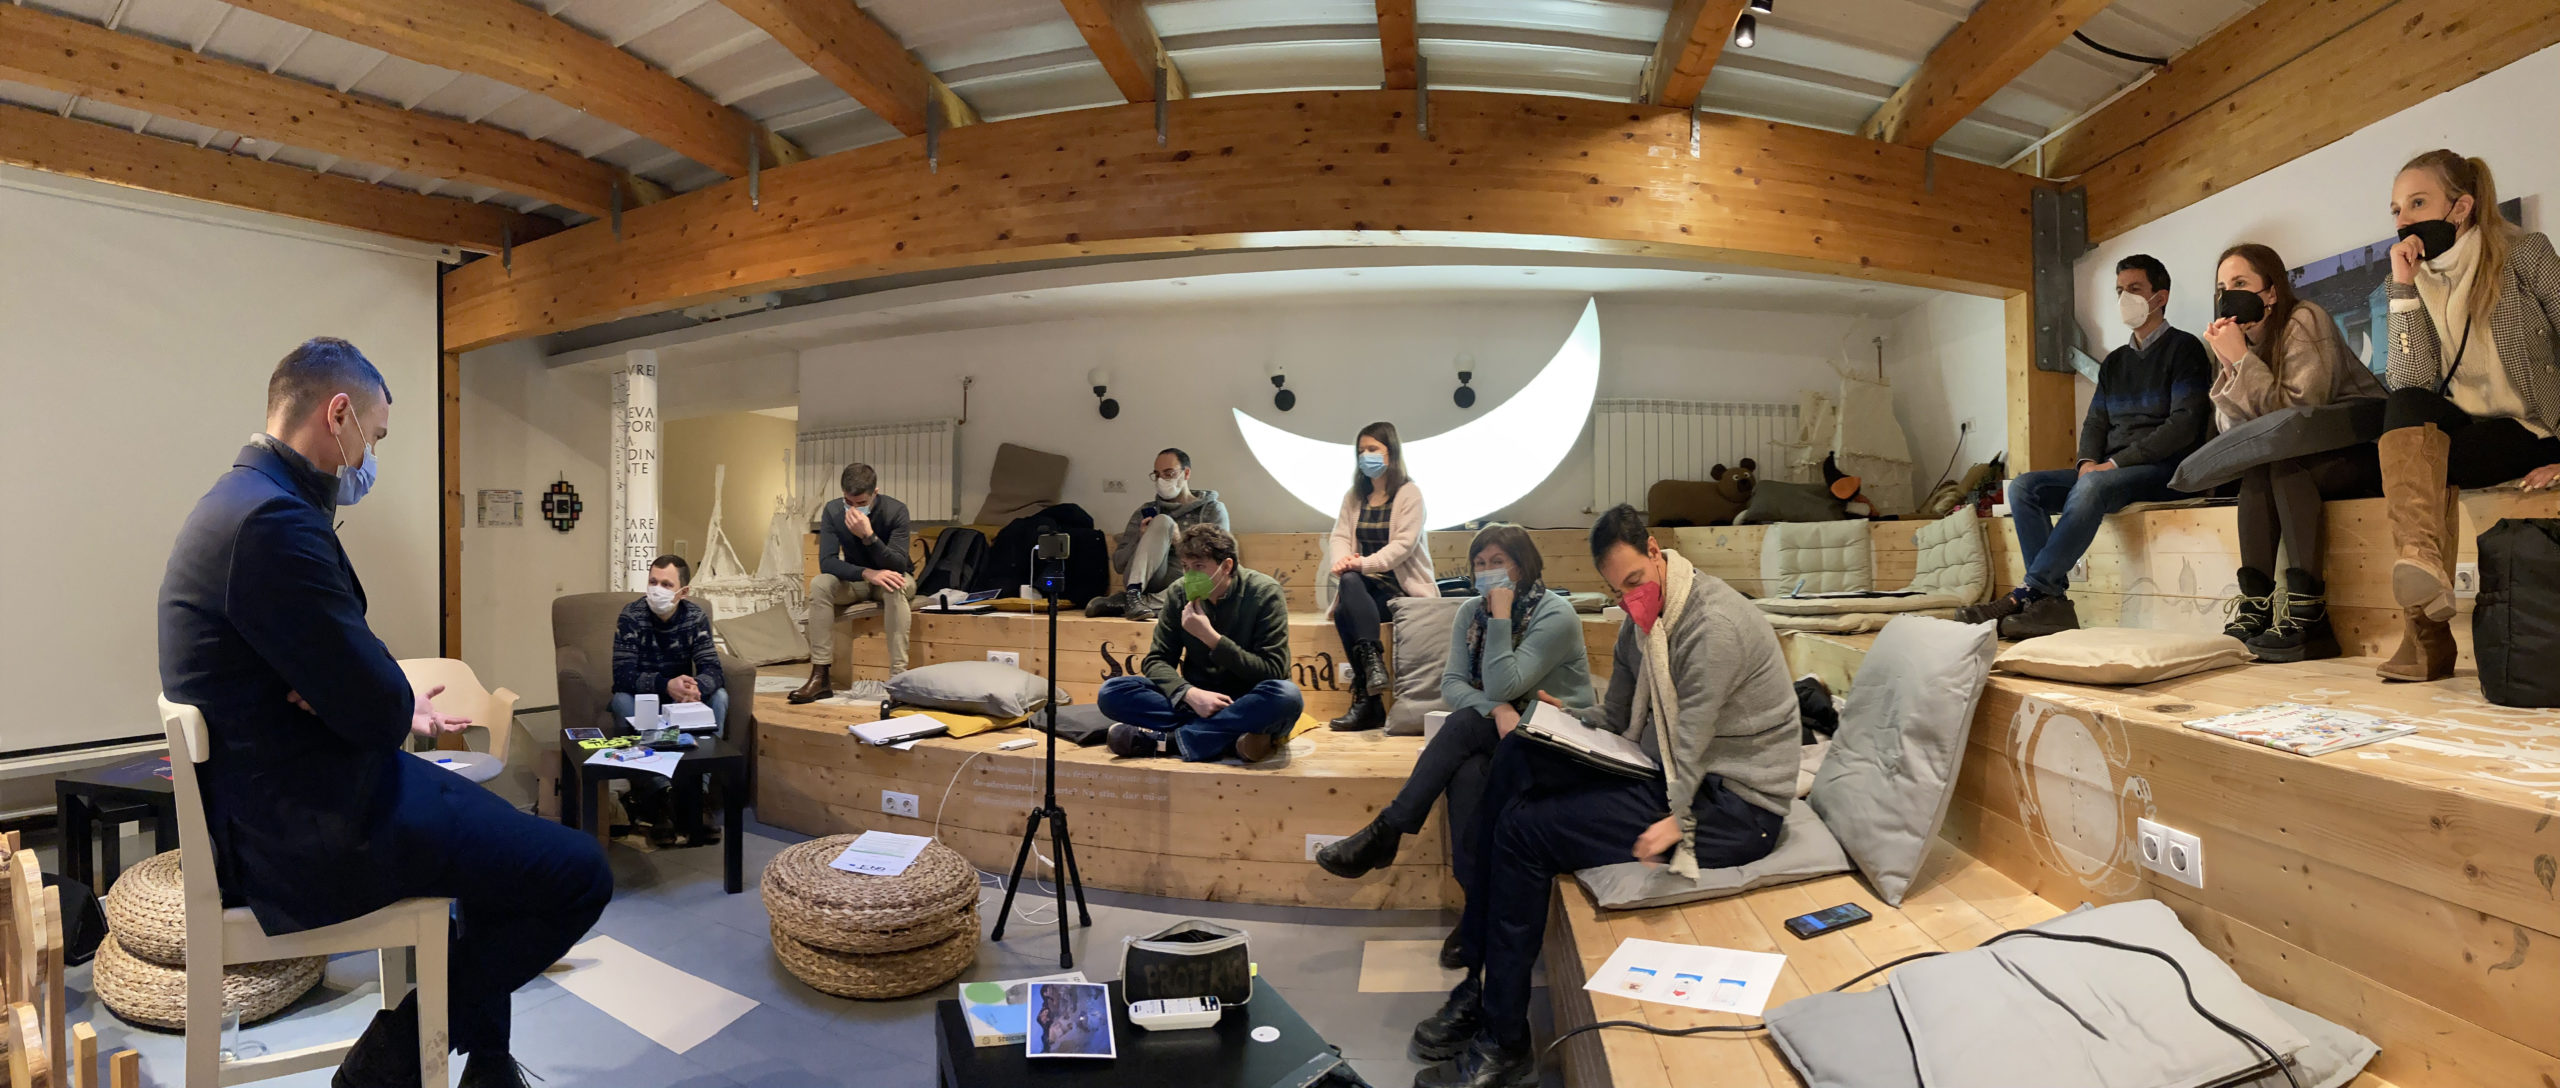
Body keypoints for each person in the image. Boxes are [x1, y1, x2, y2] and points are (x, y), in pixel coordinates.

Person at [158, 338, 609, 1088]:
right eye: (376, 436)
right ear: (338, 415)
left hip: (293, 797)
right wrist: (371, 692)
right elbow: (372, 705)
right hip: (315, 828)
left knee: (494, 847)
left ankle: (488, 1066)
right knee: (580, 874)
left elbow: (360, 680)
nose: (372, 458)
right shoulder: (271, 524)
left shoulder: (239, 502)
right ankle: (397, 1048)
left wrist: (356, 687)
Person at [1411, 506, 1795, 1088]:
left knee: (1523, 831)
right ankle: (1481, 985)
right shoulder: (1639, 625)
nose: (1628, 598)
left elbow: (1692, 739)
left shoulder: (1711, 625)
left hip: (1730, 805)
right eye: (1616, 590)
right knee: (1518, 752)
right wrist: (1567, 718)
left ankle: (1502, 1038)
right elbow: (1616, 717)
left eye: (1635, 581)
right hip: (1665, 771)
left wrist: (1678, 822)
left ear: (1656, 552)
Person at [1315, 524, 1597, 969]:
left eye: (1498, 562)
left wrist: (1501, 619)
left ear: (1523, 566)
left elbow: (1503, 683)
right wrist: (1497, 710)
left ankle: (1388, 831)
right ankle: (1476, 915)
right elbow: (1452, 685)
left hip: (1555, 739)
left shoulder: (1554, 614)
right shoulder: (1469, 612)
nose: (1487, 572)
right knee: (1465, 774)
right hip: (1499, 733)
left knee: (1464, 723)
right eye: (1480, 564)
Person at [2374, 149, 2560, 682]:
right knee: (2405, 411)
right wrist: (2404, 288)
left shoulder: (2524, 253)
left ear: (2461, 207)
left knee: (2422, 468)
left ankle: (2425, 640)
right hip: (2475, 432)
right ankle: (2422, 561)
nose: (2403, 220)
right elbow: (2410, 379)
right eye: (2396, 209)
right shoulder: (2416, 279)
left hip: (2534, 428)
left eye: (2417, 203)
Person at [1959, 254, 2213, 638]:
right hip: (2111, 473)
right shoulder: (2115, 362)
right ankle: (2050, 603)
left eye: (2134, 289)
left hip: (2165, 471)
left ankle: (2031, 592)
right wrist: (2086, 462)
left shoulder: (2185, 349)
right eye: (2119, 290)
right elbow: (2096, 421)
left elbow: (2184, 425)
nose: (2124, 298)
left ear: (2160, 297)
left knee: (2093, 483)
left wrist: (2113, 465)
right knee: (2025, 487)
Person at [2203, 244, 2386, 662]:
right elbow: (2234, 433)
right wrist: (2231, 364)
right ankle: (2256, 607)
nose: (2229, 295)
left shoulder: (2304, 318)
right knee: (2257, 470)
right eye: (2223, 288)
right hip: (2304, 454)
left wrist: (2242, 360)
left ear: (2270, 291)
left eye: (2240, 283)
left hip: (2360, 447)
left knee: (2285, 464)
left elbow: (2300, 413)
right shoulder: (2242, 341)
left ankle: (2309, 615)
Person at [1096, 524, 1306, 762]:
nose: (1190, 576)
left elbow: (1273, 671)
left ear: (1226, 566)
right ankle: (1231, 737)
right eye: (1185, 567)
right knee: (1112, 692)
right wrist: (1188, 693)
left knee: (1287, 697)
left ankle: (1171, 741)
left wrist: (1211, 638)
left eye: (1199, 567)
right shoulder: (1178, 593)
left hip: (1249, 699)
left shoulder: (1264, 592)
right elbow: (1157, 660)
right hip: (1197, 700)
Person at [1325, 422, 1437, 731]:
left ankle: (1368, 702)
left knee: (1345, 611)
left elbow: (1403, 546)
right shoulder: (1354, 496)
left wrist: (1361, 564)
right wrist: (1342, 561)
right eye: (1361, 450)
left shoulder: (1409, 493)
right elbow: (1340, 536)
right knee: (1348, 587)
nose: (1366, 456)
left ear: (1391, 452)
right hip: (1365, 587)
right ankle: (1373, 666)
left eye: (1373, 449)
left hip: (1403, 589)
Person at [609, 554, 728, 847]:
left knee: (720, 697)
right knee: (621, 701)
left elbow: (713, 669)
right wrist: (666, 685)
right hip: (644, 700)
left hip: (682, 704)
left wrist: (696, 688)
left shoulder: (695, 617)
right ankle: (661, 795)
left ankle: (699, 795)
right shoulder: (631, 616)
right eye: (653, 582)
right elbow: (622, 676)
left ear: (683, 592)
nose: (657, 589)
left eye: (666, 584)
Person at [787, 463, 915, 704]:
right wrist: (867, 573)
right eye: (849, 502)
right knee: (820, 584)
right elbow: (827, 562)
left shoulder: (896, 510)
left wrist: (869, 536)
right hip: (858, 579)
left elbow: (898, 564)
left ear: (875, 492)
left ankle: (899, 681)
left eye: (861, 503)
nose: (854, 509)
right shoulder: (834, 510)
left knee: (894, 585)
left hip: (892, 577)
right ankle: (821, 676)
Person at [1087, 447, 1231, 621]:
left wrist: (1180, 541)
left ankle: (1128, 603)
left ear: (1186, 473)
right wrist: (1141, 539)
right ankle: (1133, 596)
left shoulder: (1212, 510)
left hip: (1187, 581)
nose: (1162, 479)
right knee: (1163, 521)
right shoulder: (1145, 511)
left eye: (1169, 473)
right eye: (1157, 475)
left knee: (1204, 585)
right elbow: (1119, 564)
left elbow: (1217, 559)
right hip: (1146, 580)